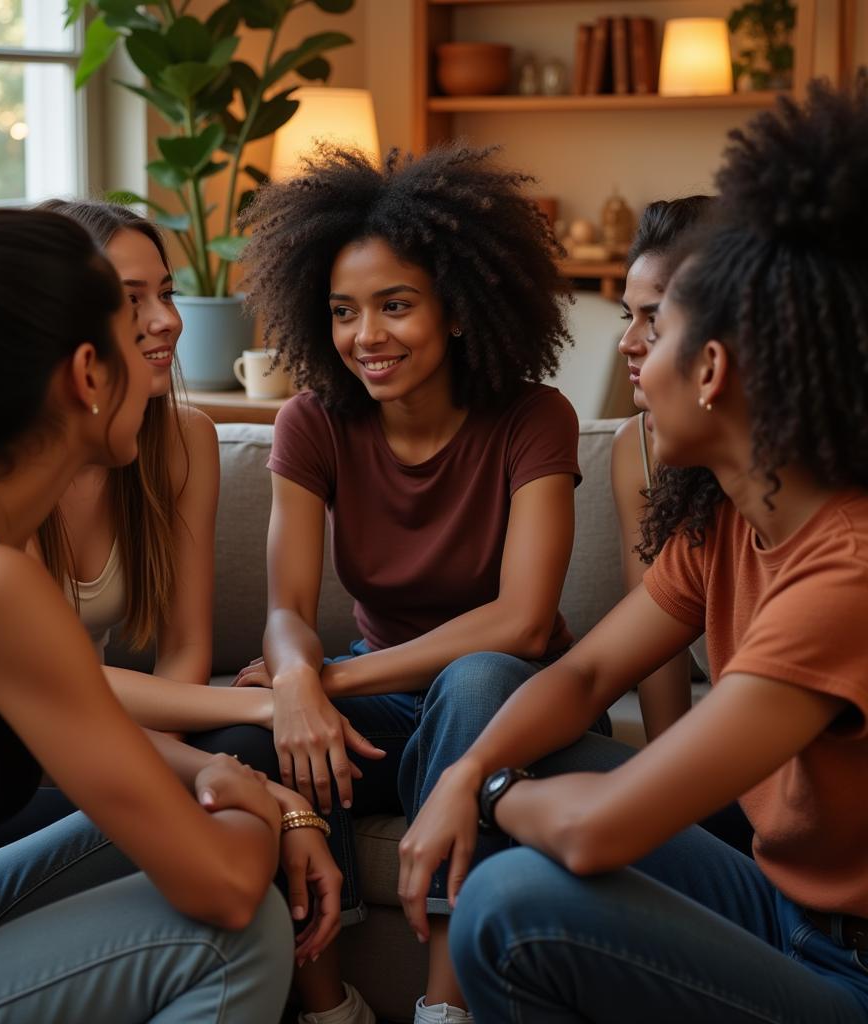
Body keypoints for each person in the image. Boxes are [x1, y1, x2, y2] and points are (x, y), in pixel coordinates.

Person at [400, 79, 868, 1022]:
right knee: (523, 736)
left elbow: (597, 832)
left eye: (656, 329)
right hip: (782, 905)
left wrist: (486, 793)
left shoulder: (847, 569)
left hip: (851, 973)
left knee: (507, 905)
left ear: (713, 367)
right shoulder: (729, 521)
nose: (632, 357)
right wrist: (461, 770)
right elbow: (581, 680)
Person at [0, 208, 296, 1022]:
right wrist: (269, 813)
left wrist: (226, 778)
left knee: (198, 822)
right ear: (87, 374)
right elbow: (225, 888)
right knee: (237, 926)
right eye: (131, 329)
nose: (159, 339)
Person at [218, 143, 610, 1024]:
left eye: (396, 306)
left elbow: (520, 621)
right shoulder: (311, 421)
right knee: (252, 742)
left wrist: (328, 681)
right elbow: (285, 607)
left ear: (462, 310)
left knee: (471, 680)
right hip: (392, 703)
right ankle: (330, 1006)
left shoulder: (533, 417)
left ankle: (446, 1007)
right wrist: (291, 683)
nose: (367, 336)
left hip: (513, 698)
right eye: (344, 311)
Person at [612, 196, 713, 741]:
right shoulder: (642, 450)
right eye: (627, 315)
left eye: (653, 317)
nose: (627, 341)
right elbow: (643, 652)